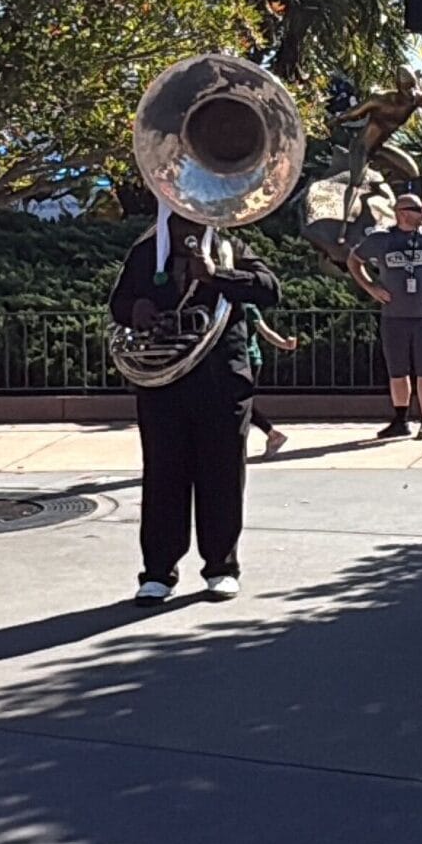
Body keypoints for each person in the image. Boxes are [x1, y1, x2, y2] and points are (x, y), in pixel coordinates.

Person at [110, 204, 282, 603]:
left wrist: (218, 275)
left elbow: (270, 288)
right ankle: (158, 572)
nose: (187, 222)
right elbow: (117, 304)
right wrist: (134, 309)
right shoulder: (146, 252)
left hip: (222, 382)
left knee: (222, 474)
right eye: (179, 212)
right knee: (163, 476)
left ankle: (221, 567)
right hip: (163, 385)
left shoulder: (229, 246)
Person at [349, 192, 422, 440]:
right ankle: (400, 418)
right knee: (397, 371)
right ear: (402, 213)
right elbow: (354, 260)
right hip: (393, 315)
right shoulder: (382, 239)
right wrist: (371, 287)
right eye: (418, 209)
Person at [243, 306, 301, 458]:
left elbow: (266, 332)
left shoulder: (247, 308)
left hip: (248, 360)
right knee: (235, 403)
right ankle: (272, 435)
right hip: (233, 361)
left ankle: (272, 434)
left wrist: (284, 344)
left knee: (239, 403)